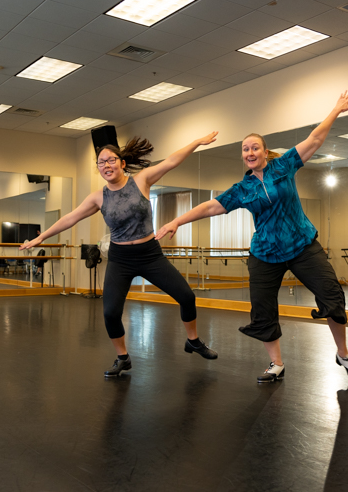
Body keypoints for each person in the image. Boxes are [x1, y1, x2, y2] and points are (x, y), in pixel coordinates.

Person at [156, 91, 348, 384]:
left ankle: (342, 353)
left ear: (265, 152)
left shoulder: (284, 166)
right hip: (265, 252)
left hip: (302, 245)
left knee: (332, 295)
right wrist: (177, 220)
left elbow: (315, 139)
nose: (250, 153)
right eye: (244, 149)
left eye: (255, 148)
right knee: (263, 309)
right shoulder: (243, 189)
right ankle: (276, 363)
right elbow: (210, 206)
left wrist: (336, 109)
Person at [20, 133, 220, 376]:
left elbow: (171, 161)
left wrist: (196, 142)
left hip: (150, 254)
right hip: (120, 259)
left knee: (187, 297)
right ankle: (122, 357)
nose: (106, 165)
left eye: (111, 160)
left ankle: (193, 341)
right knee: (110, 313)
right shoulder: (98, 197)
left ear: (122, 163)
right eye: (101, 162)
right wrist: (42, 237)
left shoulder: (142, 180)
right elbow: (70, 218)